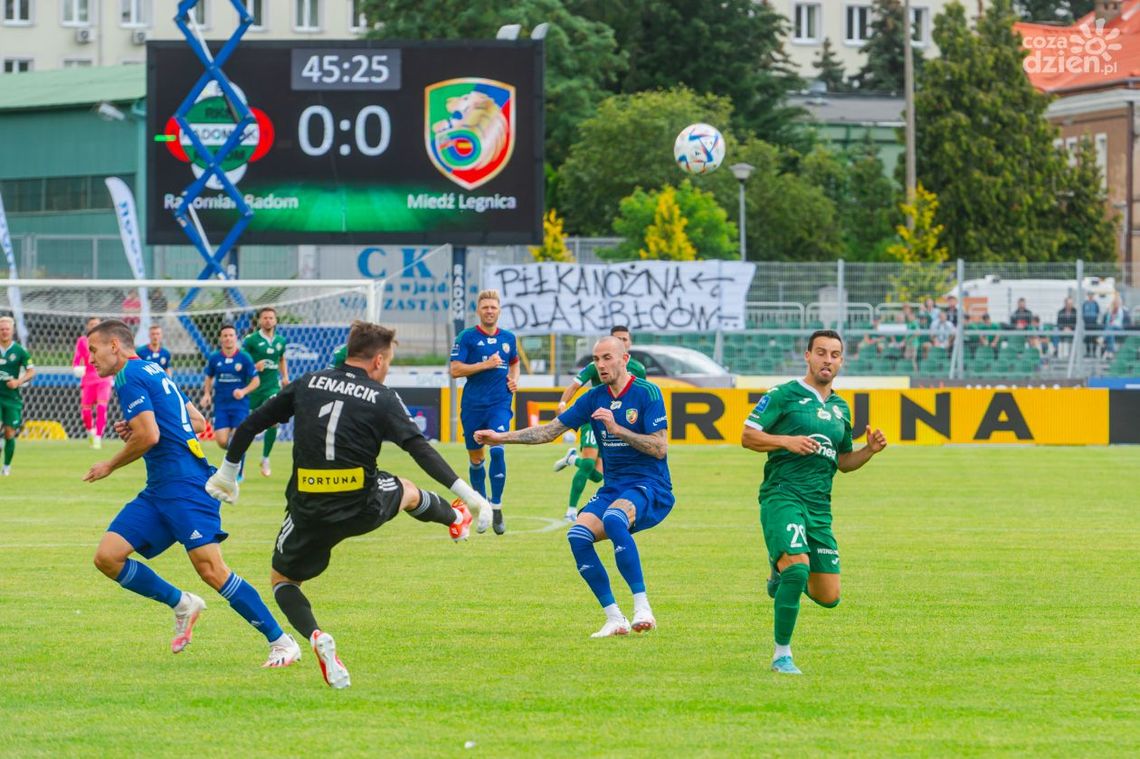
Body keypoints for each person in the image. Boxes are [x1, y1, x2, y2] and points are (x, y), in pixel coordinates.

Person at [204, 321, 489, 689]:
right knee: (404, 488)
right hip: (360, 505)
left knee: (283, 581)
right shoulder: (382, 397)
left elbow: (250, 426)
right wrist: (470, 494)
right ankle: (455, 515)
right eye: (388, 363)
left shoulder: (307, 383)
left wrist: (228, 473)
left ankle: (316, 636)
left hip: (307, 509)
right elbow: (419, 449)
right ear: (378, 360)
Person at [81, 319, 300, 668]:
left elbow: (150, 437)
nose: (90, 358)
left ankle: (282, 641)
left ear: (115, 346)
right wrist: (138, 428)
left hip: (186, 486)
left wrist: (110, 463)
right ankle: (183, 603)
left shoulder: (127, 376)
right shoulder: (154, 370)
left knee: (213, 570)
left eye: (93, 350)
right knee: (108, 557)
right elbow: (196, 423)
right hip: (160, 489)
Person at [475, 335, 673, 638]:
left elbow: (660, 448)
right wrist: (500, 438)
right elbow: (548, 432)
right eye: (596, 359)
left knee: (614, 518)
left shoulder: (648, 393)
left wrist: (617, 429)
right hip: (615, 487)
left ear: (624, 359)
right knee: (578, 535)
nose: (600, 365)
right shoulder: (594, 398)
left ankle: (642, 608)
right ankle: (614, 618)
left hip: (651, 485)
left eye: (607, 357)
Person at [741, 330, 887, 675]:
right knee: (798, 570)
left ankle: (778, 572)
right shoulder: (784, 394)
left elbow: (843, 461)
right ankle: (782, 655)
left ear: (841, 361)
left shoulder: (840, 407)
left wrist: (869, 451)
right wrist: (785, 441)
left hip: (820, 507)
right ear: (807, 356)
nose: (828, 360)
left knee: (828, 597)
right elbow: (747, 435)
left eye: (835, 355)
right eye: (821, 353)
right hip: (783, 495)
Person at [552, 325, 647, 523]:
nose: (622, 342)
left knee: (597, 476)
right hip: (594, 420)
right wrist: (562, 403)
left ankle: (572, 460)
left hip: (616, 429)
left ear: (629, 344)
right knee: (588, 465)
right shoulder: (597, 366)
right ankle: (570, 510)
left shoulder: (638, 369)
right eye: (617, 339)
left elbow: (640, 396)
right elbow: (575, 385)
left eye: (625, 339)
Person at [449, 289, 519, 535]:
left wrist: (513, 379)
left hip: (499, 404)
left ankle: (497, 506)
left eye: (493, 307)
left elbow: (514, 361)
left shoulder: (509, 338)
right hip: (473, 406)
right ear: (478, 311)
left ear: (499, 310)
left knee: (498, 451)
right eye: (485, 307)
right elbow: (455, 370)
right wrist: (485, 365)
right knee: (477, 459)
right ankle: (484, 505)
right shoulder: (466, 337)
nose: (489, 311)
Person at [201, 325, 259, 471]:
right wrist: (207, 394)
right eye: (225, 335)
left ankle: (238, 471)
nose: (228, 338)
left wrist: (243, 391)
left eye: (231, 335)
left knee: (238, 436)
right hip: (221, 404)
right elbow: (208, 377)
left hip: (240, 405)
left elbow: (256, 380)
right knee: (221, 441)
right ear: (221, 339)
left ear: (235, 338)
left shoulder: (244, 357)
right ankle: (236, 452)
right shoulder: (215, 358)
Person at [242, 307, 290, 477]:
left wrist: (285, 376)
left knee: (274, 420)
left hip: (272, 386)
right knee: (244, 424)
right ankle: (238, 460)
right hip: (253, 387)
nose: (268, 320)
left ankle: (265, 458)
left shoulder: (280, 341)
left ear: (275, 321)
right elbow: (241, 360)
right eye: (265, 318)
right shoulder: (251, 340)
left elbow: (282, 358)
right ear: (260, 321)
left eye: (271, 318)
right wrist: (254, 367)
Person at [0, 316, 35, 476]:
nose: (4, 332)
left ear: (12, 330)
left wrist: (18, 381)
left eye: (7, 329)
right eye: (1, 329)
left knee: (9, 433)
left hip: (12, 398)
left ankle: (6, 467)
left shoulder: (19, 351)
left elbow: (31, 371)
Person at [73, 316, 114, 449]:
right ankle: (91, 431)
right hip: (88, 378)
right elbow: (77, 358)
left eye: (96, 324)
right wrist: (76, 367)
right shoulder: (82, 341)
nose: (94, 326)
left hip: (104, 378)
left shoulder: (107, 341)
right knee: (86, 412)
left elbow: (113, 358)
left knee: (102, 407)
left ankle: (98, 437)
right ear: (88, 326)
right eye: (91, 324)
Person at [1102, 294, 1126, 360]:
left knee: (1109, 328)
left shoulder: (1121, 311)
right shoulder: (1111, 311)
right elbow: (1107, 321)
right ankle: (1111, 351)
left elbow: (1119, 322)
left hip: (1119, 329)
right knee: (1110, 333)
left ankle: (1102, 338)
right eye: (1115, 302)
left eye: (1117, 302)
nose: (1116, 303)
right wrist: (1108, 312)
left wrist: (1112, 324)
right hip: (1112, 329)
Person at [1082, 292, 1101, 357]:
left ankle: (1094, 352)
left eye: (1092, 295)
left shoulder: (1095, 304)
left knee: (1094, 337)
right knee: (1087, 338)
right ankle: (1088, 352)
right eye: (1089, 295)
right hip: (1087, 324)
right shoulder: (1085, 304)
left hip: (1094, 323)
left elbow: (1098, 312)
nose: (1090, 296)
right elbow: (1083, 313)